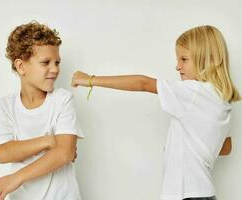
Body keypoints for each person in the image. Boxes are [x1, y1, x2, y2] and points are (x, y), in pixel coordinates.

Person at [71, 25, 240, 200]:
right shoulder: (221, 99)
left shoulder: (194, 92)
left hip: (185, 194)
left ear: (207, 58)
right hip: (203, 192)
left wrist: (90, 80)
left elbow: (142, 83)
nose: (177, 66)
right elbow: (225, 147)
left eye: (184, 59)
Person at [0, 21, 83, 200]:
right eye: (45, 62)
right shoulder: (5, 106)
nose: (55, 69)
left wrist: (16, 178)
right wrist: (48, 141)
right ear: (21, 66)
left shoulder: (62, 100)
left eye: (57, 62)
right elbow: (3, 153)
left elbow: (65, 153)